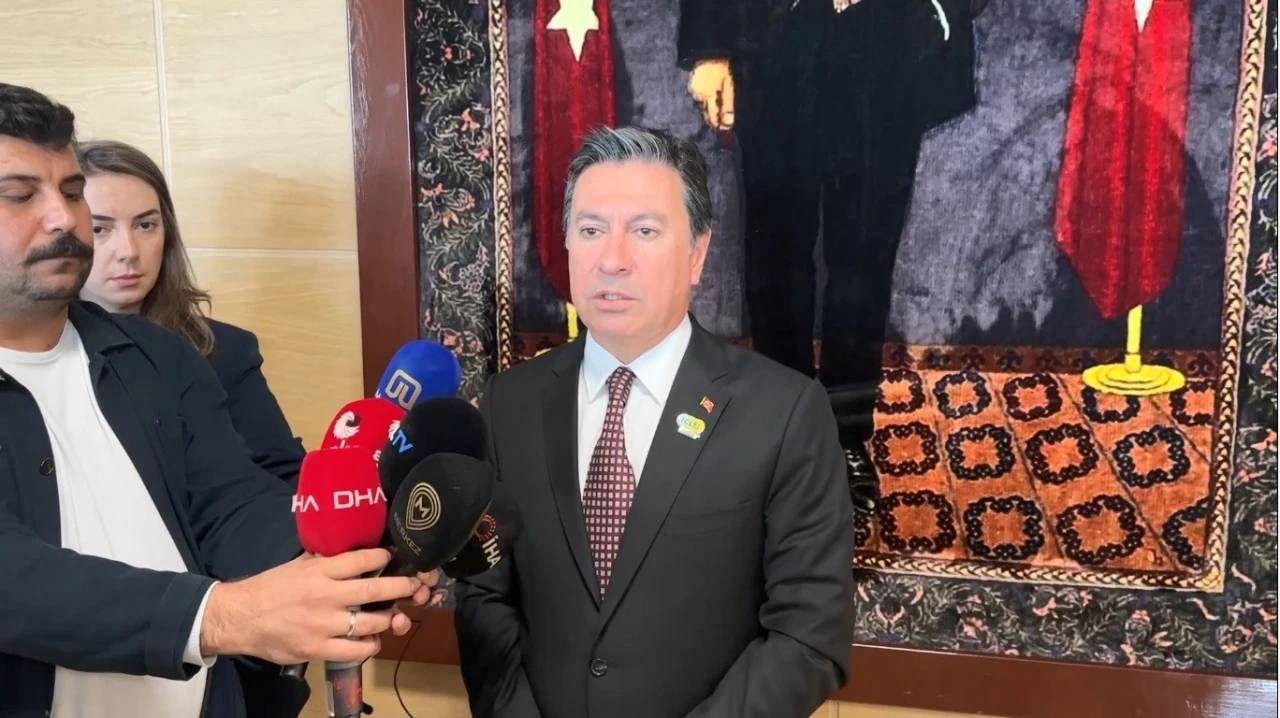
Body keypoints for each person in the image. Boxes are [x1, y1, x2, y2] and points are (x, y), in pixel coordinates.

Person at [0, 83, 436, 717]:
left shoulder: (158, 356)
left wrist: (352, 565)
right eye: (19, 195)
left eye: (71, 191)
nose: (64, 219)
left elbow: (232, 507)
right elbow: (16, 580)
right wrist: (221, 617)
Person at [454, 126, 856, 718]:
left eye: (644, 231)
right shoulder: (508, 404)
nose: (612, 260)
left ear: (696, 254)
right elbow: (482, 597)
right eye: (591, 230)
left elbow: (809, 634)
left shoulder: (785, 411)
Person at [677, 0, 983, 504]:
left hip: (885, 41)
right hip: (776, 40)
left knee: (865, 259)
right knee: (776, 257)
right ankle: (784, 434)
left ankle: (847, 435)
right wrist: (710, 49)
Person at [76, 139, 305, 486]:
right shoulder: (33, 356)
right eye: (99, 229)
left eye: (145, 225)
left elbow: (288, 479)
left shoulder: (225, 350)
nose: (128, 251)